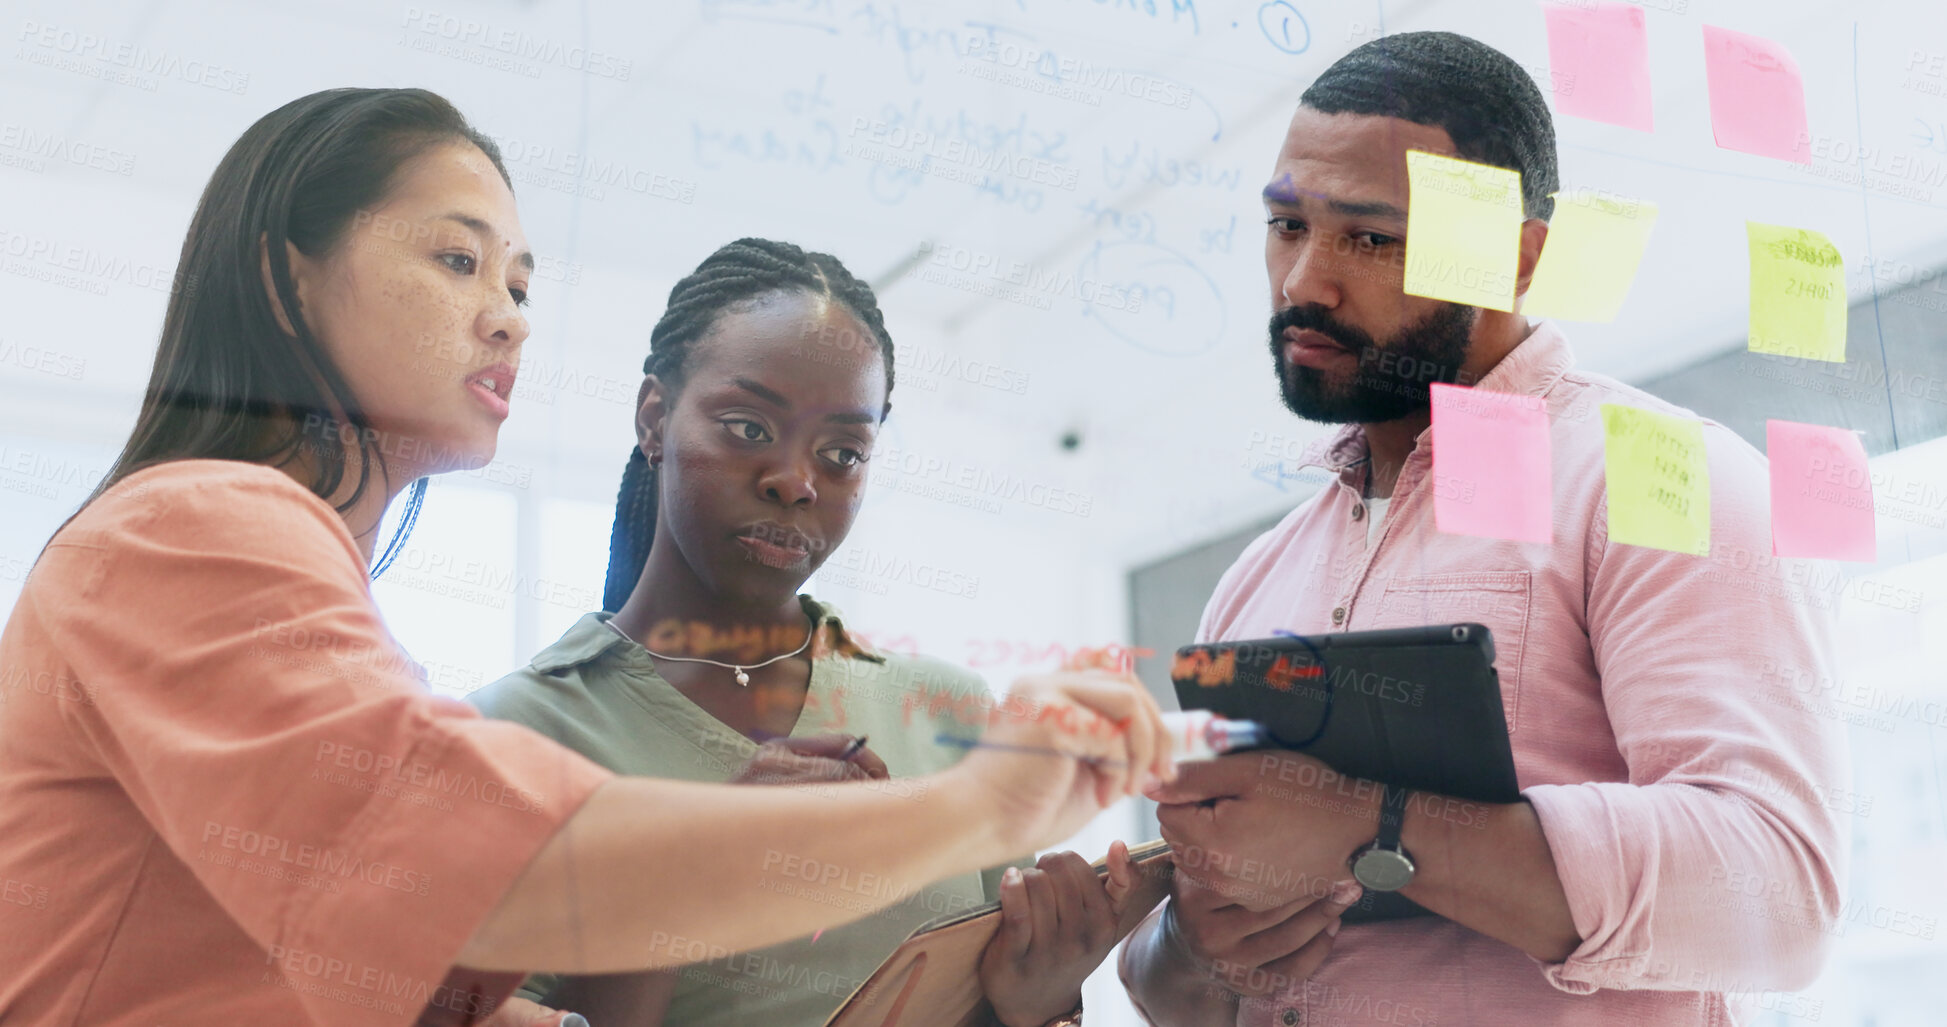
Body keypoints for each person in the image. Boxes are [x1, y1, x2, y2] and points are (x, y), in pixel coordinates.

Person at [0, 87, 1173, 1027]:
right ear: (283, 274)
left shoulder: (314, 602)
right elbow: (494, 870)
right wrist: (978, 801)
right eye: (457, 263)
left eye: (518, 282)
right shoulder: (197, 529)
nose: (510, 316)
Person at [1118, 32, 1847, 1026]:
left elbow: (1779, 895)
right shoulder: (1255, 577)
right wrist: (1186, 943)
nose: (1304, 282)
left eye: (1370, 239)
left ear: (1515, 255)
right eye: (1288, 225)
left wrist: (1370, 829)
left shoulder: (1662, 480)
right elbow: (1187, 998)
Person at [469, 237, 1143, 1027]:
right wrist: (693, 874)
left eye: (842, 453)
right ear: (655, 417)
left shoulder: (949, 709)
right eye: (749, 427)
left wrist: (1039, 1001)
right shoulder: (509, 736)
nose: (795, 480)